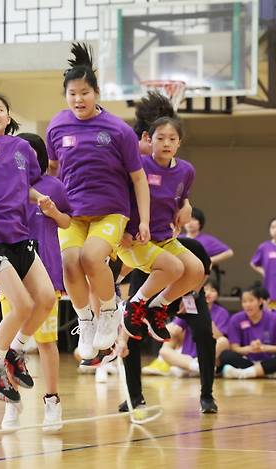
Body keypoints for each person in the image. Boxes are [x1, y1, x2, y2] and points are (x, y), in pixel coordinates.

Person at [45, 43, 150, 360]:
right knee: (69, 265)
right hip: (72, 213)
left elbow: (138, 179)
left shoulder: (118, 130)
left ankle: (108, 310)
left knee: (92, 259)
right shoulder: (56, 126)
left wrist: (141, 221)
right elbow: (52, 172)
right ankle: (86, 320)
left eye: (85, 93)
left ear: (97, 93)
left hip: (111, 212)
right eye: (72, 93)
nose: (78, 99)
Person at [0, 94, 60, 405]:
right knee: (21, 305)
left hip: (20, 237)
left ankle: (15, 350)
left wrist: (39, 198)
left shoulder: (22, 149)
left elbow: (23, 187)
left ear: (9, 116)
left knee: (46, 298)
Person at [117, 116, 203, 343]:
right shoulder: (139, 165)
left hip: (164, 239)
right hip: (133, 239)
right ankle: (134, 304)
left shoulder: (186, 171)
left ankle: (158, 307)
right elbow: (120, 197)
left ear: (179, 143)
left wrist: (186, 206)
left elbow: (182, 199)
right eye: (161, 138)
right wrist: (122, 229)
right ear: (149, 140)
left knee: (195, 270)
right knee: (174, 268)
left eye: (172, 139)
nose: (166, 143)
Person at [117, 237, 219, 413]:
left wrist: (192, 293)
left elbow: (205, 270)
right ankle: (134, 397)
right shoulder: (144, 254)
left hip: (188, 296)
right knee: (132, 336)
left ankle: (207, 396)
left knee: (204, 334)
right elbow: (131, 310)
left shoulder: (192, 246)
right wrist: (122, 340)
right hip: (151, 297)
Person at [220, 286, 276, 379]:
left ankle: (244, 373)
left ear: (260, 301)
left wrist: (263, 348)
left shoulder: (274, 318)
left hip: (269, 359)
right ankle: (266, 372)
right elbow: (235, 348)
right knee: (225, 355)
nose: (247, 305)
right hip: (246, 360)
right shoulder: (236, 319)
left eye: (251, 301)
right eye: (244, 301)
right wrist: (250, 349)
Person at [182, 207, 234, 287]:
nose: (190, 222)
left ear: (200, 222)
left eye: (194, 219)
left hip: (201, 277)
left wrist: (209, 260)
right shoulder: (178, 238)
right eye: (188, 219)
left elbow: (229, 252)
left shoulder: (208, 239)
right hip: (182, 276)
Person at [250, 217, 276, 310]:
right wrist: (263, 271)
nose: (275, 230)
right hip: (271, 291)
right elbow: (254, 263)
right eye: (273, 227)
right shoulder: (264, 247)